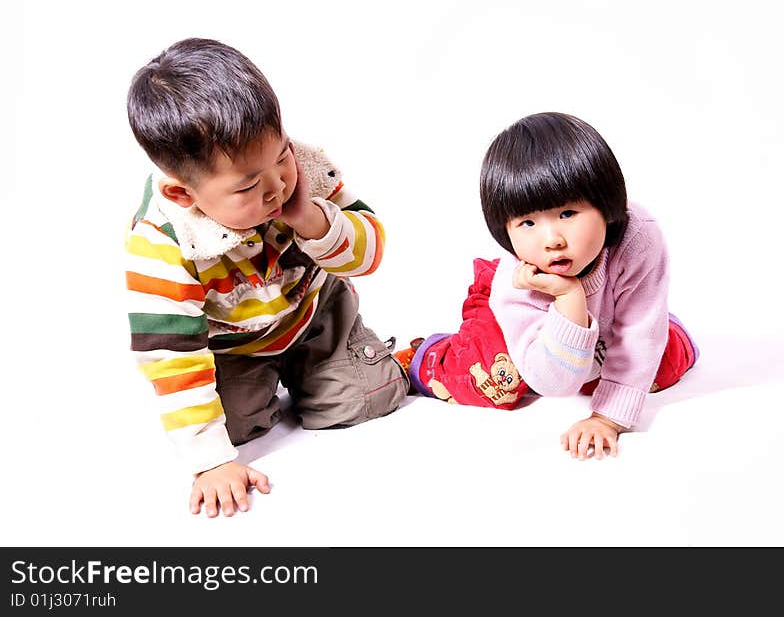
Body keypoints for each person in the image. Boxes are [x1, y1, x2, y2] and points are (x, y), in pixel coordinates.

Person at [125, 38, 408, 517]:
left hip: (315, 312)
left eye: (280, 156)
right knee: (228, 432)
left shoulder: (306, 172)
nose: (277, 185)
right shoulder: (163, 243)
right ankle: (270, 381)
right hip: (235, 348)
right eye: (249, 186)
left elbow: (371, 251)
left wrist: (314, 220)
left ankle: (341, 363)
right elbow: (172, 358)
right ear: (181, 193)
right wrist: (211, 463)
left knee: (371, 395)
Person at [395, 112, 698, 460]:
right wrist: (569, 296)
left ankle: (648, 328)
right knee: (497, 384)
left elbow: (640, 339)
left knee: (656, 362)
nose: (552, 239)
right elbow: (556, 384)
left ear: (606, 204)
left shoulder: (639, 236)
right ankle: (427, 356)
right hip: (525, 321)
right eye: (527, 222)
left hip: (600, 318)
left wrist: (608, 418)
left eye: (567, 213)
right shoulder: (518, 281)